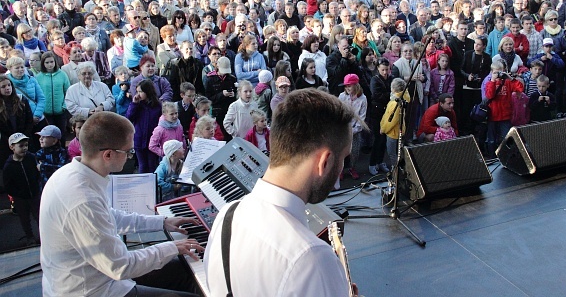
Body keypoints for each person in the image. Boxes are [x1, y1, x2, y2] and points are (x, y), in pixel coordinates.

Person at [204, 89, 356, 296]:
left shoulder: (228, 214)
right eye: (343, 158)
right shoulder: (312, 260)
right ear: (325, 162)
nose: (341, 169)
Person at [39, 111, 202, 296]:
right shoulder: (82, 199)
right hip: (92, 289)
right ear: (108, 155)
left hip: (101, 274)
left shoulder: (75, 173)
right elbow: (121, 266)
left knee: (185, 271)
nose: (131, 156)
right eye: (129, 151)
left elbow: (109, 216)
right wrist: (172, 247)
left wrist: (162, 222)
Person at [3, 132, 40, 246]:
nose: (24, 148)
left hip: (34, 194)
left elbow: (37, 174)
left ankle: (43, 235)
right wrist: (17, 194)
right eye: (21, 146)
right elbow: (8, 185)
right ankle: (29, 236)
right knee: (24, 219)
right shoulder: (9, 166)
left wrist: (37, 187)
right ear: (12, 147)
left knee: (39, 216)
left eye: (26, 145)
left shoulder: (31, 157)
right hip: (20, 198)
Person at [338, 74, 367, 180]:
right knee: (342, 151)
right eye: (346, 86)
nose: (347, 88)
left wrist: (354, 130)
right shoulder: (342, 96)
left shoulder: (363, 99)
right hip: (343, 129)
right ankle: (340, 170)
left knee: (354, 151)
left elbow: (362, 117)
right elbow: (339, 112)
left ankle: (352, 168)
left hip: (355, 130)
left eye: (349, 86)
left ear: (356, 85)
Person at [380, 78, 411, 169]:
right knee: (398, 152)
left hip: (393, 132)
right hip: (397, 131)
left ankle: (396, 170)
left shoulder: (395, 102)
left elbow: (391, 120)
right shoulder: (403, 98)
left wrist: (383, 128)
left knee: (392, 153)